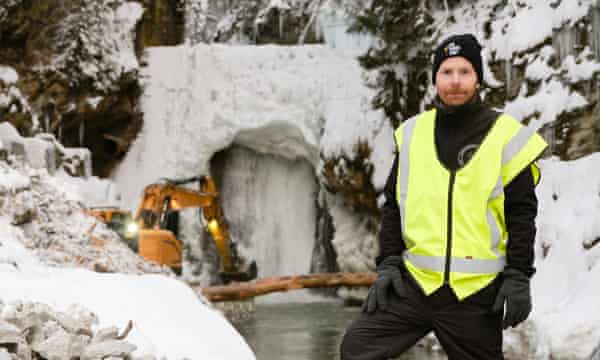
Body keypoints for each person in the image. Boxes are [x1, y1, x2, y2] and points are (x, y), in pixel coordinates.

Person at [340, 33, 548, 360]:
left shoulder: (507, 136)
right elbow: (395, 205)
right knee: (357, 348)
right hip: (414, 286)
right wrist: (390, 262)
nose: (455, 81)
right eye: (447, 72)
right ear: (435, 78)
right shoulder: (412, 134)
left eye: (464, 72)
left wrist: (519, 275)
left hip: (475, 293)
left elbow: (522, 214)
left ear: (478, 78)